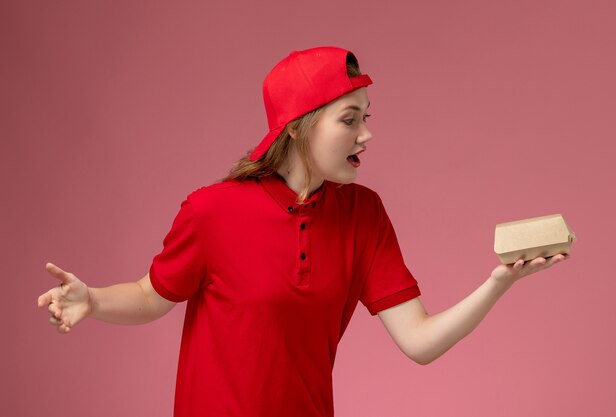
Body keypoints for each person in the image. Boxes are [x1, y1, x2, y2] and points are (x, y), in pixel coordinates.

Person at [38, 46, 569, 417]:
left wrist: (499, 282)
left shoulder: (364, 214)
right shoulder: (212, 211)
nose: (367, 133)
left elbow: (420, 342)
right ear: (299, 126)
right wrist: (94, 301)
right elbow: (151, 296)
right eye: (349, 118)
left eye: (366, 116)